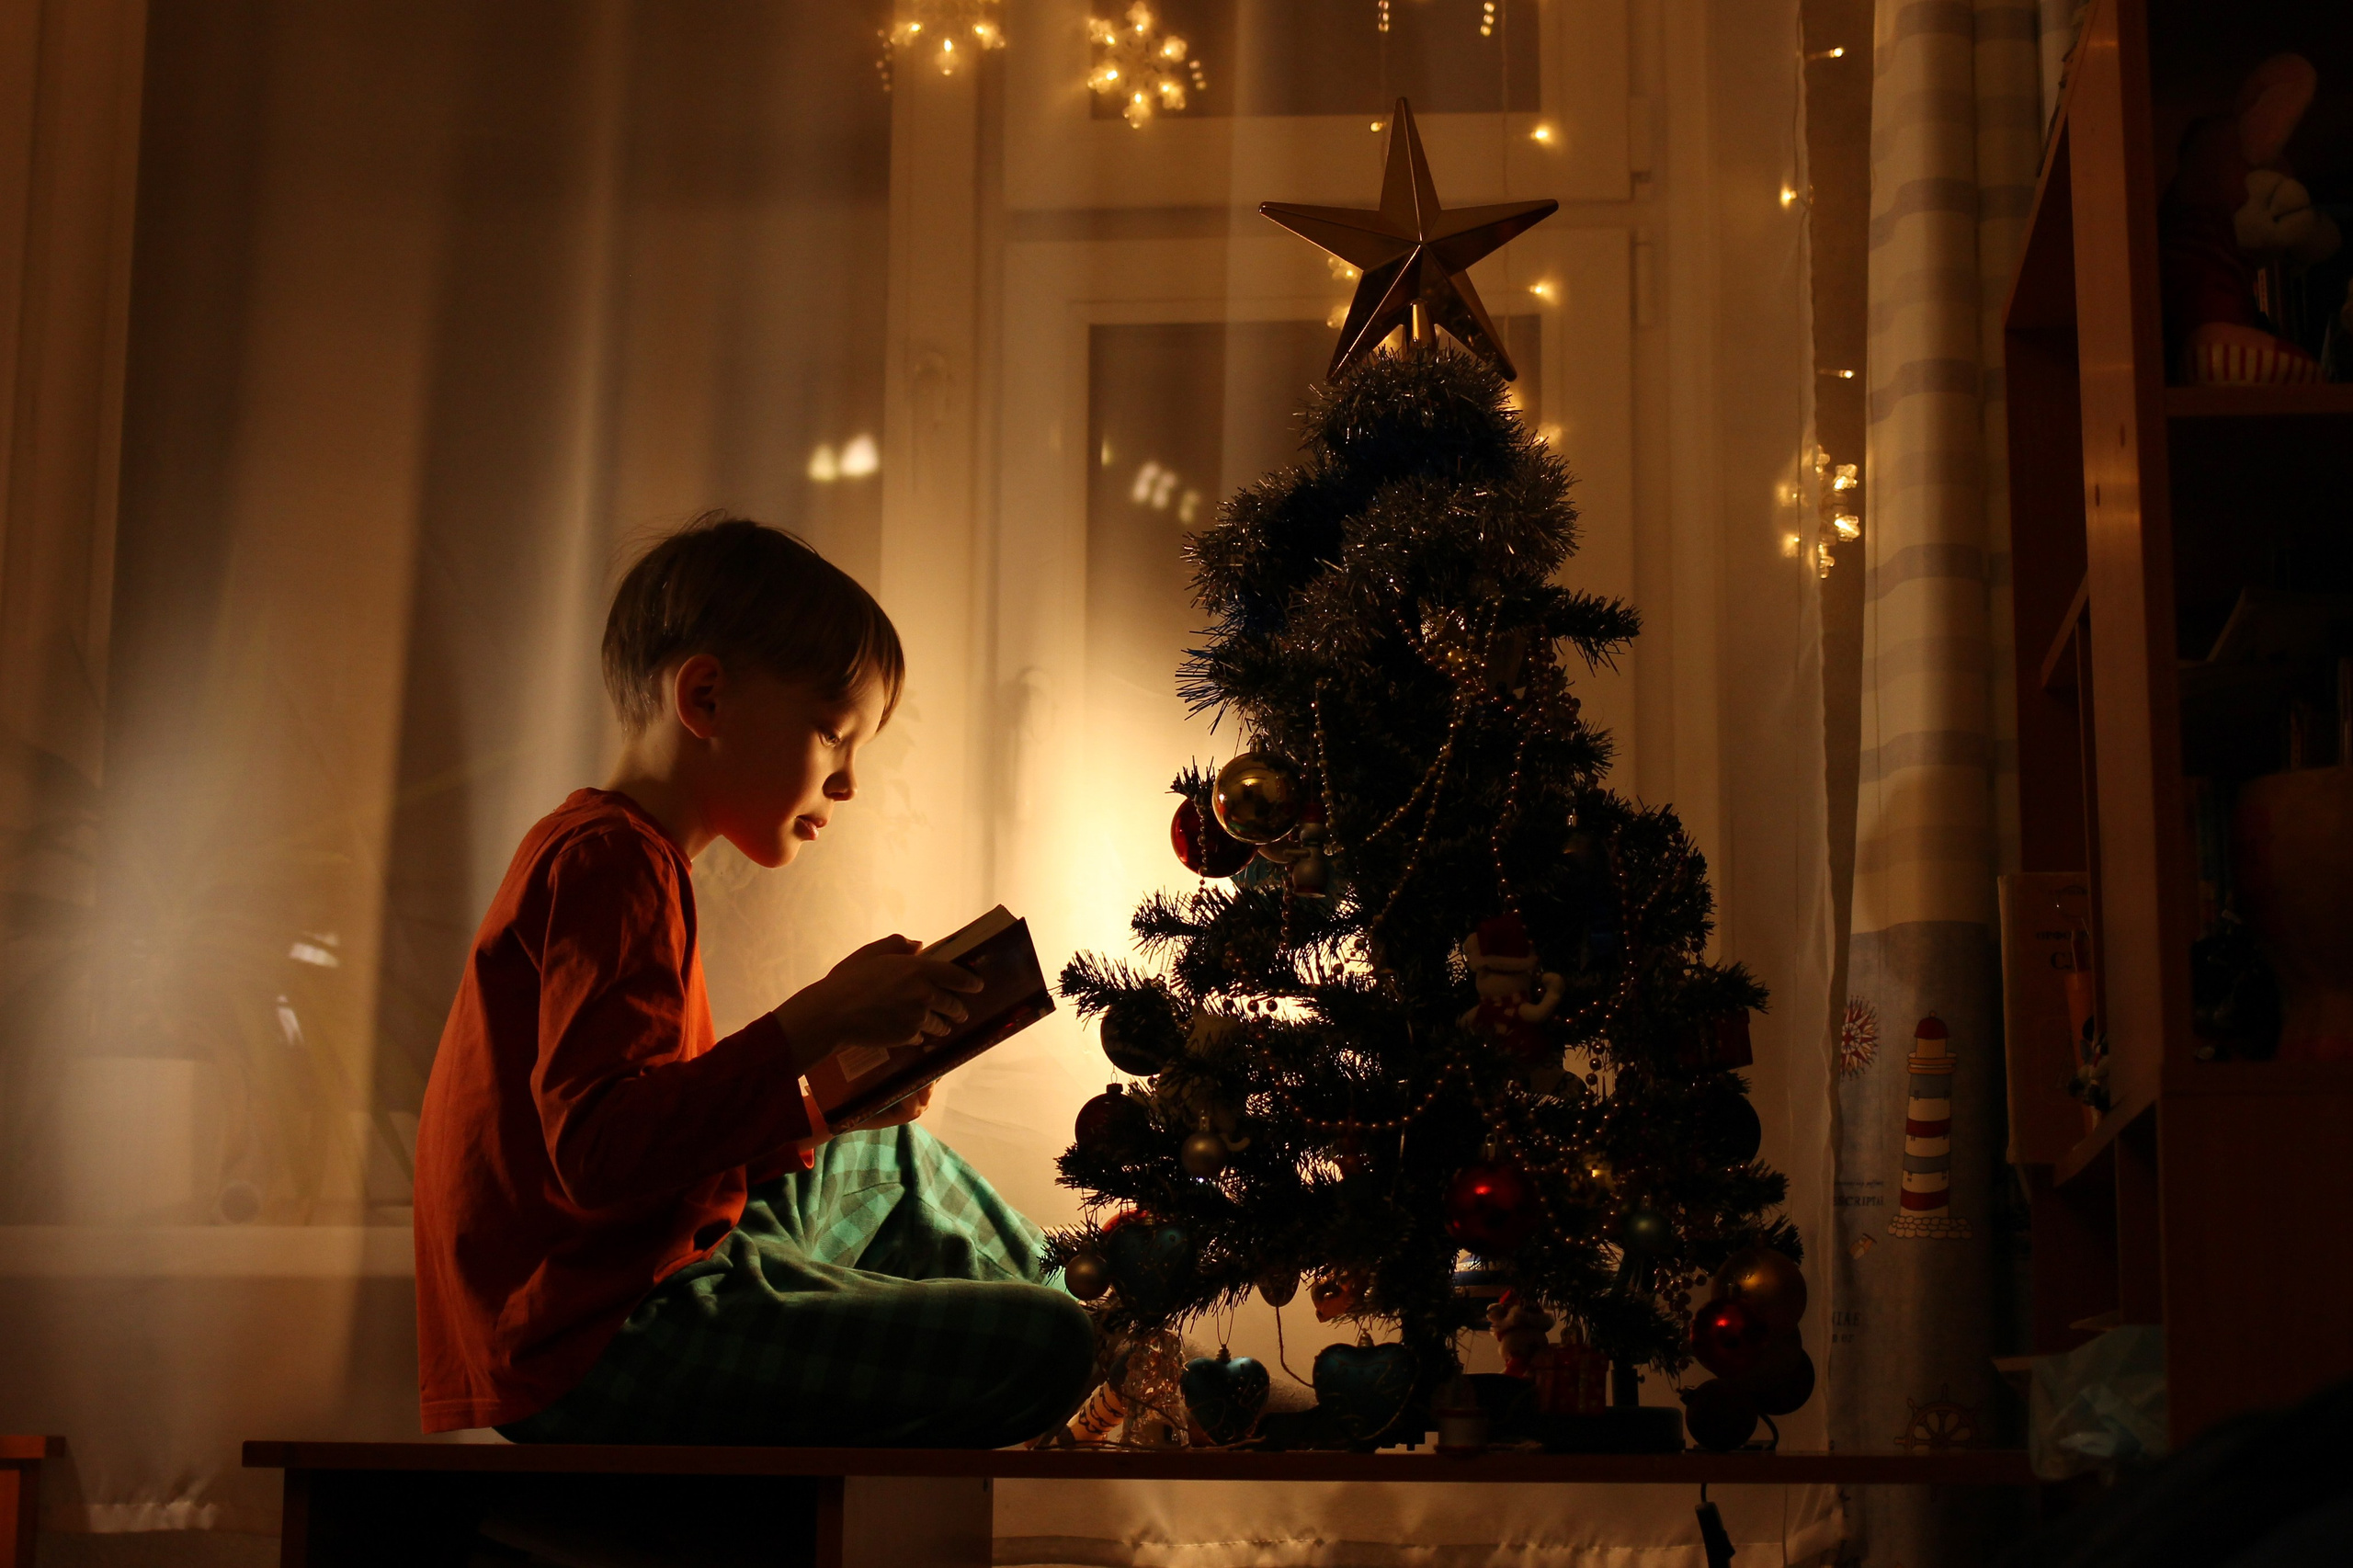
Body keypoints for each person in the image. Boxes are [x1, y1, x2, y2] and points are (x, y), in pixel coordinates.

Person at [413, 514, 1095, 1446]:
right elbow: (601, 1152)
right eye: (831, 732)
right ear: (704, 697)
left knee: (883, 1154)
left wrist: (822, 1105)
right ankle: (1104, 1359)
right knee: (1047, 1343)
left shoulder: (619, 853)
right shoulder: (614, 861)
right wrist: (811, 1020)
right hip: (594, 1337)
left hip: (621, 1282)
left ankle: (1118, 1355)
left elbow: (654, 1152)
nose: (848, 781)